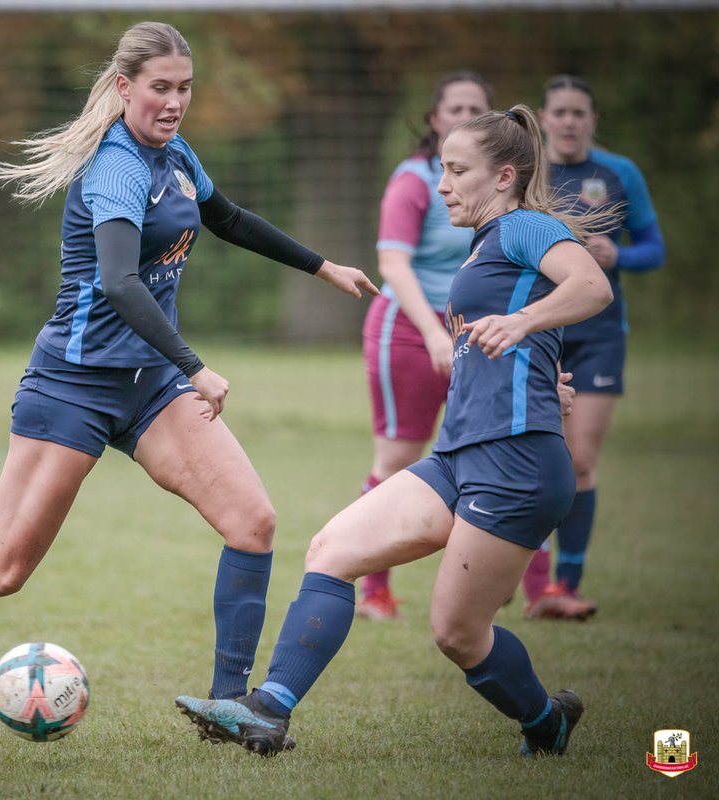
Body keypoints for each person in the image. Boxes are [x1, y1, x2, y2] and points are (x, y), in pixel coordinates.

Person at [0, 21, 377, 715]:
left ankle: (231, 707)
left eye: (184, 88)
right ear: (124, 87)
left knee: (253, 522)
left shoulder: (176, 153)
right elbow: (120, 285)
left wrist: (323, 265)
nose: (175, 101)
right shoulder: (117, 165)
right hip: (72, 387)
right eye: (160, 88)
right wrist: (197, 365)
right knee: (2, 569)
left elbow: (232, 219)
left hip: (151, 386)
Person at [175, 105, 616, 759]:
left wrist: (524, 329)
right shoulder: (488, 246)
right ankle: (269, 710)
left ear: (502, 177)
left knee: (457, 633)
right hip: (460, 456)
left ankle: (545, 721)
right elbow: (502, 335)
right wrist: (540, 368)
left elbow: (592, 286)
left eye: (457, 170)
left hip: (517, 466)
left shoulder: (525, 226)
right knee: (331, 548)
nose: (443, 184)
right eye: (441, 168)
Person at [521, 74, 665, 620]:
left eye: (579, 112)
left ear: (593, 120)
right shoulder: (529, 171)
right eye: (559, 112)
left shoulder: (619, 172)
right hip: (541, 328)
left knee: (580, 459)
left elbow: (654, 249)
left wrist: (618, 257)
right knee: (540, 458)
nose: (569, 121)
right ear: (544, 116)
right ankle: (522, 574)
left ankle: (566, 584)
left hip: (601, 334)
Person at [356, 71, 493, 621]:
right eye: (453, 107)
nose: (462, 116)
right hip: (409, 332)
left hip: (476, 332)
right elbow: (393, 264)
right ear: (434, 120)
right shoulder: (414, 181)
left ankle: (523, 589)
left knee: (494, 457)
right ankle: (373, 592)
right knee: (398, 460)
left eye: (476, 108)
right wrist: (437, 332)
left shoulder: (501, 187)